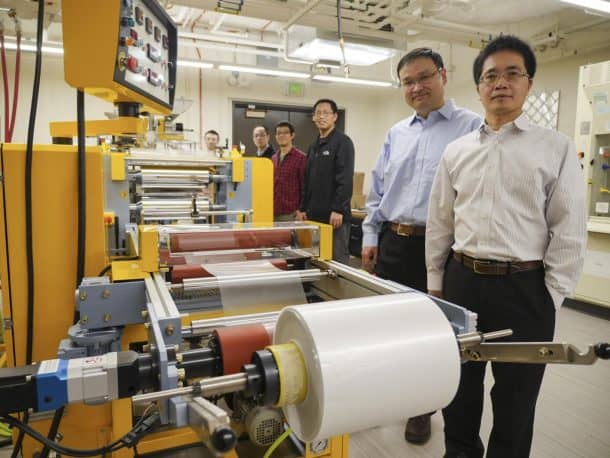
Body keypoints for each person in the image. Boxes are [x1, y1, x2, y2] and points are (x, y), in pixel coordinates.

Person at [426, 35, 586, 458]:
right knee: (458, 392)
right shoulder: (456, 151)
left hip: (525, 289)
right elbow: (440, 222)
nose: (501, 82)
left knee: (516, 401)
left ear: (528, 83)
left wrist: (550, 296)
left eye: (513, 73)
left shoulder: (555, 148)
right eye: (490, 75)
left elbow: (569, 229)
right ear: (478, 87)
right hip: (462, 284)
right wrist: (436, 285)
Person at [361, 47, 481, 445]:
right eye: (408, 82)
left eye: (424, 77)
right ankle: (394, 394)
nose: (416, 87)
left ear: (443, 75)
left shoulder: (472, 127)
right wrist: (371, 235)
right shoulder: (397, 133)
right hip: (395, 241)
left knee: (436, 333)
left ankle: (423, 407)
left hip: (443, 247)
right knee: (393, 327)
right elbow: (378, 191)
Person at [296, 99, 354, 265]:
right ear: (313, 117)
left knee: (336, 263)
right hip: (314, 216)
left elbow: (345, 178)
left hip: (334, 218)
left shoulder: (343, 142)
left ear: (335, 117)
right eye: (318, 113)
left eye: (326, 113)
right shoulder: (313, 146)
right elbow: (307, 181)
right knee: (315, 261)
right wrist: (302, 208)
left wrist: (338, 209)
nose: (321, 116)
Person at [271, 121, 307, 222]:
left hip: (292, 214)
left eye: (285, 133)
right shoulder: (273, 158)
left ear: (292, 135)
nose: (281, 136)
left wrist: (302, 209)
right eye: (278, 133)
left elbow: (305, 186)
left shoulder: (301, 158)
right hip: (273, 212)